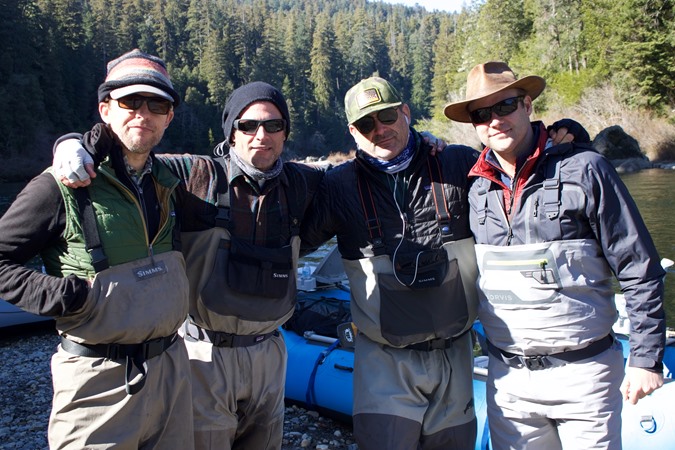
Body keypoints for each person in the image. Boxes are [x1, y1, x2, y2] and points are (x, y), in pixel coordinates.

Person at [53, 81, 326, 450]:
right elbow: (133, 154)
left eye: (274, 126)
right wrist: (70, 143)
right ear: (231, 132)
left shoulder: (303, 184)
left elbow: (359, 179)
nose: (261, 135)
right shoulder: (195, 175)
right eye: (248, 126)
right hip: (204, 356)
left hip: (271, 354)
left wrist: (426, 147)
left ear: (285, 133)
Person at [443, 61, 666, 449]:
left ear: (527, 105)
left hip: (587, 376)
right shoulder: (474, 187)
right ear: (474, 125)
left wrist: (646, 358)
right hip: (508, 381)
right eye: (481, 114)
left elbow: (638, 267)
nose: (494, 121)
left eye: (504, 107)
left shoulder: (586, 169)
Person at [0, 49, 194, 449]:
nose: (143, 112)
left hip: (172, 370)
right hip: (96, 379)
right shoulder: (62, 184)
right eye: (129, 101)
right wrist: (64, 296)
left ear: (169, 117)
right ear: (105, 109)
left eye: (157, 103)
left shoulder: (169, 182)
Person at [300, 76, 481, 450]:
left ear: (405, 113)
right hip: (384, 362)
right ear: (353, 132)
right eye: (367, 124)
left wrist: (566, 140)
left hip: (456, 357)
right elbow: (289, 241)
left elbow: (519, 183)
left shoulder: (457, 162)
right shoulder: (338, 186)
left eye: (386, 117)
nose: (380, 130)